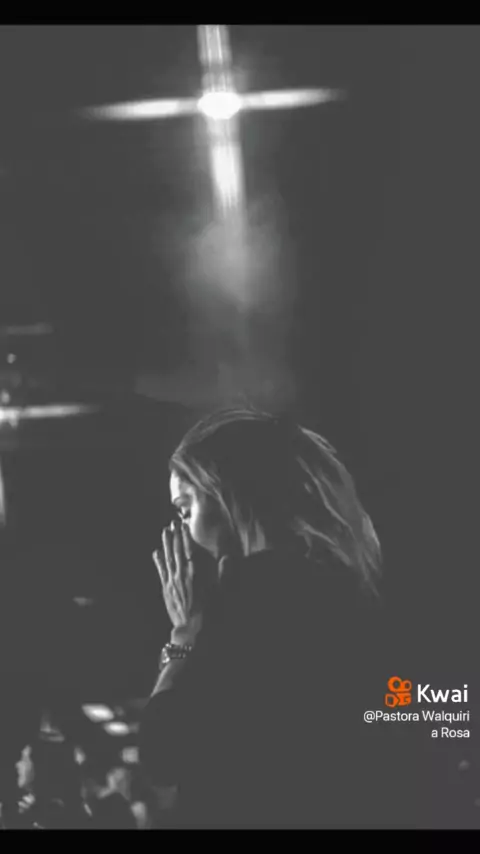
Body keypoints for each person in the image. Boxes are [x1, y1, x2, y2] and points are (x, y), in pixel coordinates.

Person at [139, 407, 426, 828]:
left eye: (185, 509)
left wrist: (183, 636)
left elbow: (163, 752)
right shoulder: (343, 587)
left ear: (228, 497)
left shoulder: (246, 599)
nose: (182, 531)